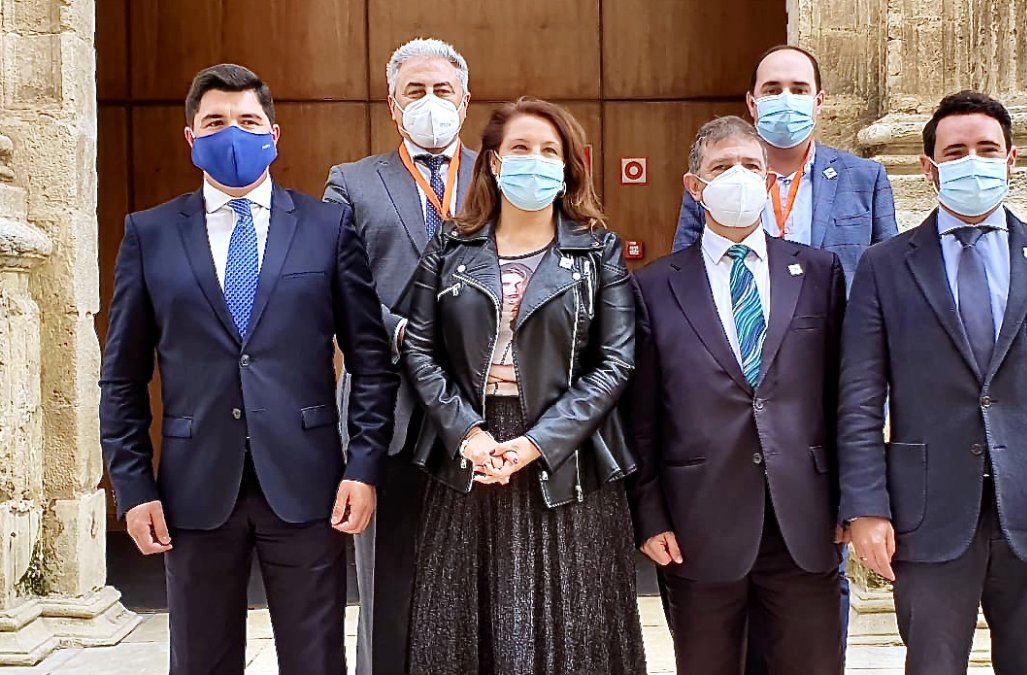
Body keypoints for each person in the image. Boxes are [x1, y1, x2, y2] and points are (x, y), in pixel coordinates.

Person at [99, 64, 397, 675]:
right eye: (215, 121)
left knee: (315, 659)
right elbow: (122, 377)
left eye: (247, 121)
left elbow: (370, 361)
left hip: (309, 484)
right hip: (193, 488)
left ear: (273, 133)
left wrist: (363, 465)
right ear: (191, 136)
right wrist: (132, 487)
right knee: (201, 661)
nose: (232, 132)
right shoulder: (149, 234)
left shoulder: (326, 227)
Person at [839, 90, 1027, 675]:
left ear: (1011, 159)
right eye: (957, 150)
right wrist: (866, 507)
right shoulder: (885, 265)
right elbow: (861, 400)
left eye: (987, 148)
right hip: (927, 513)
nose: (974, 160)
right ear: (930, 167)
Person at [401, 99, 646, 675]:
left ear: (567, 168)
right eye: (520, 148)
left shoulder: (597, 250)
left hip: (565, 459)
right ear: (492, 162)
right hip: (469, 455)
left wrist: (536, 443)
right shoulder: (450, 247)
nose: (535, 161)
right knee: (460, 626)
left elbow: (615, 362)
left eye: (549, 151)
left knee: (574, 630)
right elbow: (417, 346)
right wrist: (466, 433)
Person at [627, 115, 845, 675]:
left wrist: (855, 502)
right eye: (722, 167)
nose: (739, 177)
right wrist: (649, 515)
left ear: (770, 178)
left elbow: (844, 397)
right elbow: (642, 415)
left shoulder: (818, 273)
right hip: (699, 527)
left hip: (805, 520)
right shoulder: (652, 286)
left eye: (751, 165)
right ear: (694, 187)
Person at [322, 37, 476, 675]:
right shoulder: (351, 183)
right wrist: (405, 336)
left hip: (484, 405)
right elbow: (334, 288)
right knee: (388, 576)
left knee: (482, 575)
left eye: (443, 90)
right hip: (383, 408)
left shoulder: (504, 173)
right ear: (393, 105)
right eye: (416, 91)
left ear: (465, 102)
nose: (430, 102)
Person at [672, 45, 897, 287]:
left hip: (838, 322)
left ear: (818, 101)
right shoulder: (713, 180)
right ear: (752, 103)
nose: (786, 99)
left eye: (799, 90)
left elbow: (888, 272)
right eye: (773, 90)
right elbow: (684, 270)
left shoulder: (865, 178)